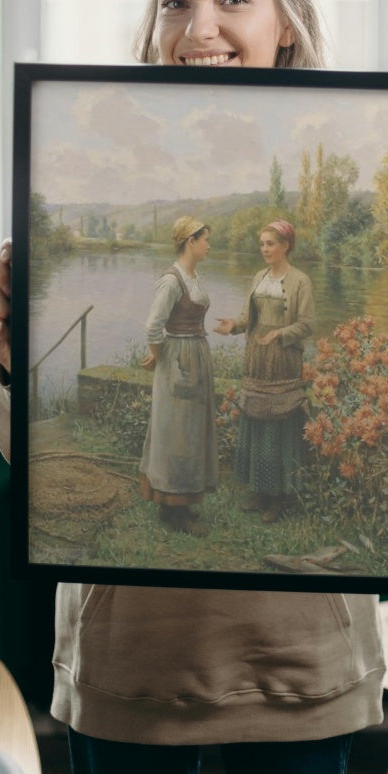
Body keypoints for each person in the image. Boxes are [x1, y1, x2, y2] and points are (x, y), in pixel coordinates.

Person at [0, 0, 388, 774]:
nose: (197, 25)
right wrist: (12, 360)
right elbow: (29, 461)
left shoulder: (368, 144)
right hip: (129, 655)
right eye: (174, 0)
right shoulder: (69, 152)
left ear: (286, 20)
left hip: (297, 655)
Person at [215, 219, 313, 523]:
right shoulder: (258, 277)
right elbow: (248, 316)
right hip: (257, 358)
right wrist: (234, 326)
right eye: (262, 244)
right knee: (256, 421)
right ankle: (259, 490)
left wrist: (280, 335)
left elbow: (308, 324)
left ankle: (279, 498)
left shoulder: (300, 281)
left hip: (282, 361)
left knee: (278, 424)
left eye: (270, 243)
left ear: (286, 246)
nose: (265, 249)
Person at [140, 216, 217, 538]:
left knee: (191, 431)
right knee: (176, 433)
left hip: (194, 355)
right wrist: (158, 355)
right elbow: (152, 325)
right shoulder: (172, 281)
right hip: (179, 361)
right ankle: (173, 510)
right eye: (205, 240)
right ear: (190, 242)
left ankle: (181, 502)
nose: (208, 245)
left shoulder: (193, 276)